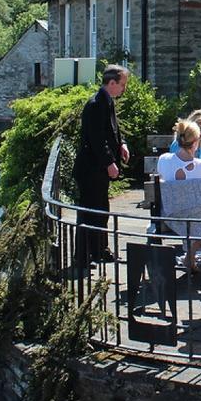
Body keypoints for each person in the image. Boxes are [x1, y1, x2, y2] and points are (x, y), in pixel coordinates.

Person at [73, 65, 130, 267]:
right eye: (122, 85)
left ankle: (99, 250)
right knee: (89, 212)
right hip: (90, 169)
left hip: (97, 169)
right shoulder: (96, 104)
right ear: (112, 83)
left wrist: (122, 144)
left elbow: (112, 130)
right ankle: (83, 256)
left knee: (101, 210)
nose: (124, 89)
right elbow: (97, 139)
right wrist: (109, 163)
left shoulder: (107, 102)